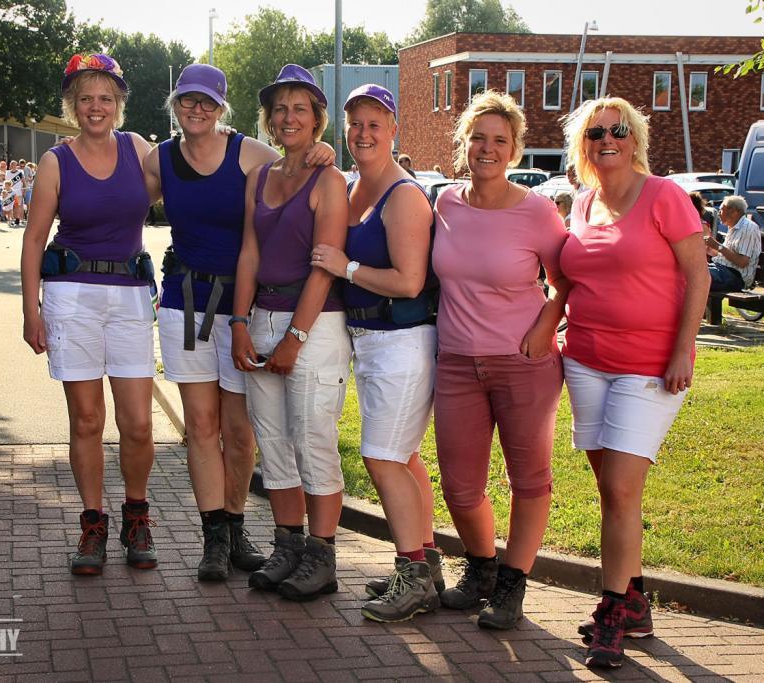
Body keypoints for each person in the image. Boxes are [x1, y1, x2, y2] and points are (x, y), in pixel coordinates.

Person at [142, 64, 332, 582]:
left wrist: (324, 151)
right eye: (187, 100)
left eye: (207, 101)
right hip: (184, 303)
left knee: (239, 429)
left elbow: (298, 168)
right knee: (201, 427)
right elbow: (117, 202)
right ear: (175, 104)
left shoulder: (250, 154)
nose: (196, 109)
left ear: (222, 107)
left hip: (242, 307)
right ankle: (214, 539)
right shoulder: (159, 159)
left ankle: (236, 523)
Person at [559, 97, 710, 669]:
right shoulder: (583, 202)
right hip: (585, 361)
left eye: (618, 130)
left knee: (621, 489)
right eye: (596, 132)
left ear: (635, 138)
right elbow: (571, 280)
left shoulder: (664, 196)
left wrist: (682, 350)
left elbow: (698, 276)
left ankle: (612, 613)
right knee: (613, 491)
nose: (607, 140)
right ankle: (637, 601)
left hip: (648, 367)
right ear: (583, 143)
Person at [431, 90, 569, 630]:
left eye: (499, 140)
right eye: (478, 138)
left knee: (529, 479)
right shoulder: (445, 203)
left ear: (514, 150)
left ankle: (512, 584)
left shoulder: (536, 210)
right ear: (464, 142)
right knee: (459, 486)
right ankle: (482, 568)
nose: (487, 148)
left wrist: (544, 328)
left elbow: (564, 281)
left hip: (522, 363)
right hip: (457, 364)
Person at [21, 52, 159, 576]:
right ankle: (93, 525)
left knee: (138, 423)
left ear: (118, 103)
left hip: (128, 296)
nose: (95, 107)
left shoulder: (138, 149)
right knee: (86, 419)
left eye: (105, 97)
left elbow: (195, 169)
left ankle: (136, 516)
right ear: (72, 106)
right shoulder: (56, 161)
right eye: (85, 99)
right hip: (71, 297)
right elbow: (34, 239)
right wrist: (30, 310)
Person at [309, 84, 441, 623]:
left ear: (393, 131)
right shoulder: (354, 185)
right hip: (370, 341)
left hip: (402, 342)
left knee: (382, 457)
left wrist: (346, 268)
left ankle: (413, 576)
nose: (363, 133)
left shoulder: (403, 196)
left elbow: (409, 281)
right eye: (355, 124)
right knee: (404, 457)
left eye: (375, 124)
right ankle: (427, 564)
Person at [230, 64, 350, 602]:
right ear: (269, 119)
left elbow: (325, 265)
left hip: (315, 325)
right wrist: (240, 322)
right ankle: (288, 547)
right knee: (274, 444)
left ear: (317, 119)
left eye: (300, 108)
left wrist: (294, 339)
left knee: (312, 440)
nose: (288, 117)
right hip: (262, 316)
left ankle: (322, 557)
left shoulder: (330, 180)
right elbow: (249, 253)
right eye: (280, 108)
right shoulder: (260, 177)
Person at [706, 195, 761, 293]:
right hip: (723, 270)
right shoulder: (733, 228)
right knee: (690, 270)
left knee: (697, 275)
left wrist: (717, 246)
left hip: (736, 276)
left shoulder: (748, 228)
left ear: (734, 212)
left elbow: (742, 262)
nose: (718, 213)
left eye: (721, 210)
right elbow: (727, 256)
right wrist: (708, 249)